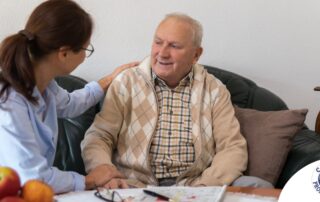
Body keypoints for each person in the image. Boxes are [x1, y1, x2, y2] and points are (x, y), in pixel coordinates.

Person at [81, 13, 272, 189]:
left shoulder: (215, 89)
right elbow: (99, 137)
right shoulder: (127, 82)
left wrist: (205, 186)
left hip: (197, 184)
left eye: (174, 46)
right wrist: (105, 172)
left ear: (196, 54)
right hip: (134, 185)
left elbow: (232, 147)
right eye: (158, 42)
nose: (162, 53)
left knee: (258, 186)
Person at [0, 0, 137, 194]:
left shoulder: (44, 83)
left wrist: (110, 79)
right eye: (85, 49)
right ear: (63, 54)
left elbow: (71, 104)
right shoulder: (9, 103)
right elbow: (34, 177)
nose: (84, 56)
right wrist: (89, 180)